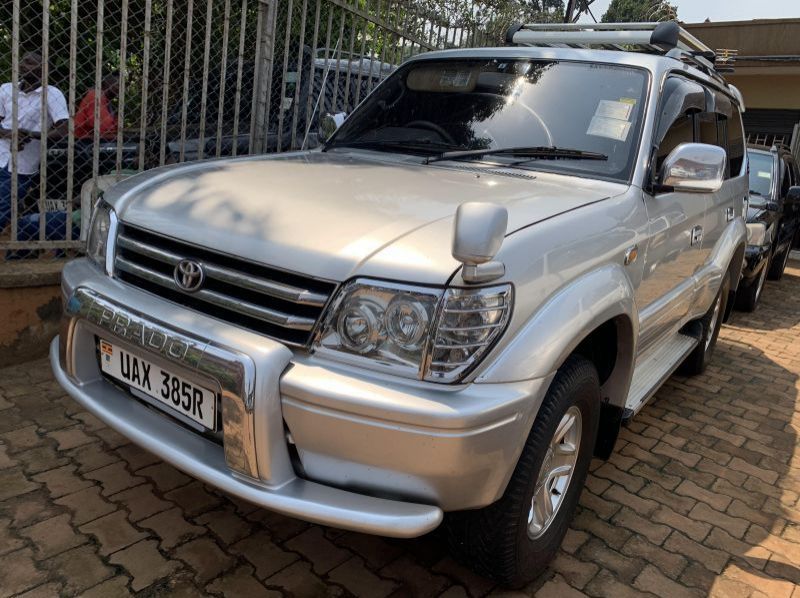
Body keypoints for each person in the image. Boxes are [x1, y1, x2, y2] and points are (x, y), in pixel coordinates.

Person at [0, 52, 69, 234]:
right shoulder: (6, 89)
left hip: (23, 164)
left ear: (43, 69)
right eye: (22, 61)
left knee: (4, 205)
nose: (22, 64)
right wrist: (11, 134)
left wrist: (32, 134)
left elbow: (64, 129)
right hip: (1, 153)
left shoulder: (52, 94)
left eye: (29, 62)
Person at [73, 72, 119, 140]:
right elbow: (105, 128)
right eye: (118, 85)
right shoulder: (96, 96)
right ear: (108, 83)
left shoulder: (106, 100)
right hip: (84, 142)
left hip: (94, 139)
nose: (120, 89)